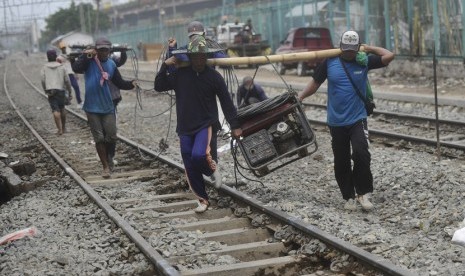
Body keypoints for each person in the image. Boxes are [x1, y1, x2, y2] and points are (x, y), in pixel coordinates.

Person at [298, 30, 394, 211]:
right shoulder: (329, 61)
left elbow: (389, 56)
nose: (348, 52)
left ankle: (363, 193)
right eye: (345, 49)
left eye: (352, 49)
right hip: (336, 121)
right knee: (341, 160)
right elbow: (315, 83)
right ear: (340, 46)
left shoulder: (364, 61)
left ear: (358, 48)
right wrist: (300, 97)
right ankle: (348, 196)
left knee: (361, 153)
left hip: (358, 118)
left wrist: (369, 48)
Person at [154, 35, 242, 213]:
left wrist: (235, 125)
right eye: (196, 56)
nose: (200, 59)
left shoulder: (214, 77)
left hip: (206, 123)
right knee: (189, 160)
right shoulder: (180, 75)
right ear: (191, 57)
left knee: (198, 155)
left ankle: (212, 170)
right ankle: (202, 199)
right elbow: (159, 85)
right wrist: (166, 65)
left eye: (203, 56)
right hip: (185, 125)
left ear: (207, 57)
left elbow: (226, 102)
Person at [72, 37, 137, 179]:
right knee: (99, 138)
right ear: (96, 50)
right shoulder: (88, 62)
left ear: (109, 50)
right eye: (100, 50)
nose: (103, 52)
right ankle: (105, 167)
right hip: (92, 107)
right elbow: (76, 68)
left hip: (107, 106)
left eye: (105, 50)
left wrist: (132, 84)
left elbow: (119, 83)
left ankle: (109, 157)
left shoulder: (111, 64)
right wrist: (85, 55)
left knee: (112, 135)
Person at [41, 49, 73, 136]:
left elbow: (43, 80)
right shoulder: (61, 67)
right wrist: (69, 91)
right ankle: (64, 128)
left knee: (55, 109)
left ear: (47, 57)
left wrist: (45, 89)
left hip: (51, 90)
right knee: (62, 108)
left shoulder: (44, 67)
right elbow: (67, 80)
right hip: (61, 90)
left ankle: (59, 130)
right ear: (55, 57)